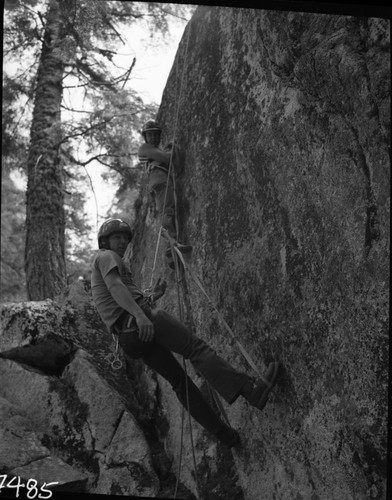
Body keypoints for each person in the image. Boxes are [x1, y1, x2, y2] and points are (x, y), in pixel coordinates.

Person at [91, 218, 281, 448]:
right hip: (138, 320)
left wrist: (153, 296)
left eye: (124, 238)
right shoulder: (106, 257)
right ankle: (251, 391)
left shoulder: (107, 263)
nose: (122, 242)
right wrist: (141, 316)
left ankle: (224, 435)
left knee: (179, 383)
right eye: (116, 238)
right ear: (105, 241)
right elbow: (115, 287)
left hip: (128, 337)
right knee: (195, 348)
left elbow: (118, 296)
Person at [138, 119, 192, 268]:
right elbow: (168, 158)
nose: (153, 138)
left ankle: (172, 254)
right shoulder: (144, 148)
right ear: (145, 137)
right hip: (160, 181)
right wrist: (171, 148)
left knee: (169, 211)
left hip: (162, 181)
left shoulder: (154, 150)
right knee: (166, 211)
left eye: (156, 135)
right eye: (150, 135)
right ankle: (172, 245)